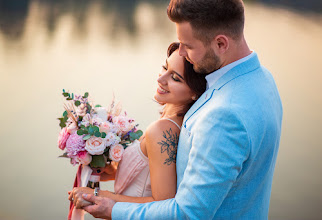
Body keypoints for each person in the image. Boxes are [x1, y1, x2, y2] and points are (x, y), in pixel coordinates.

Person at [73, 0, 283, 219]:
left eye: (188, 46)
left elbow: (187, 212)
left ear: (221, 44)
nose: (181, 51)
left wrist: (111, 208)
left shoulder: (224, 114)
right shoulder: (263, 80)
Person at [68, 42, 207, 208]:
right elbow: (156, 176)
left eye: (175, 78)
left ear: (195, 92)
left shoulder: (163, 130)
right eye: (165, 67)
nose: (160, 79)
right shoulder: (177, 122)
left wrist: (100, 194)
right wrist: (115, 172)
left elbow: (163, 204)